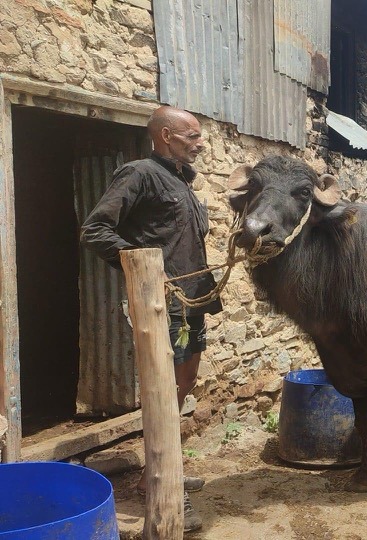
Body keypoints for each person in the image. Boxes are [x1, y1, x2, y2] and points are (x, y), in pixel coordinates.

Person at [80, 105, 222, 533]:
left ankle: (157, 471)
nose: (200, 144)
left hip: (190, 301)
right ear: (164, 135)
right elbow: (96, 230)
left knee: (184, 383)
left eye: (199, 136)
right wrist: (143, 270)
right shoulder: (139, 173)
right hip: (162, 304)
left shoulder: (180, 180)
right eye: (191, 136)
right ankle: (164, 494)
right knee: (164, 389)